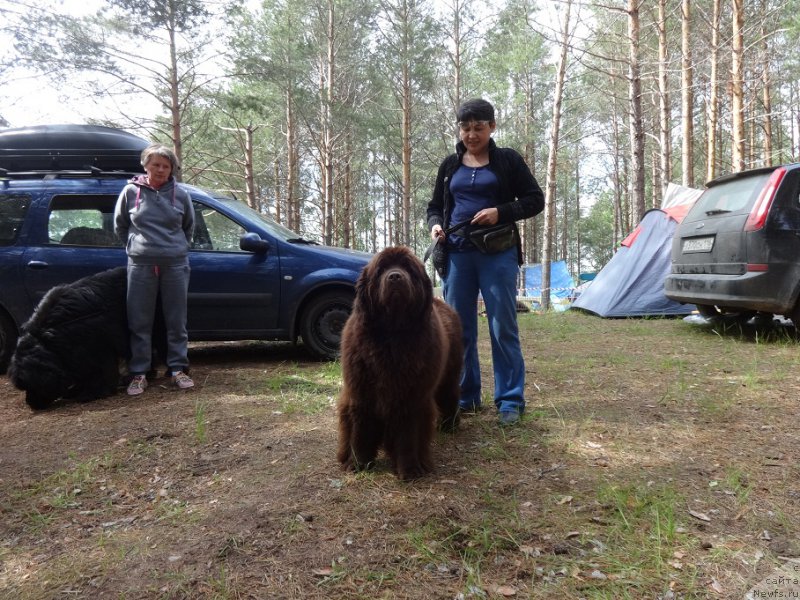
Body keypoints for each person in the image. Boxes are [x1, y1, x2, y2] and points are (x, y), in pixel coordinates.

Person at [427, 98, 544, 426]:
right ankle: (464, 396)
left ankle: (510, 399)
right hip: (458, 254)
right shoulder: (450, 165)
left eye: (479, 127)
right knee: (456, 330)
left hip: (498, 253)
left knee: (501, 326)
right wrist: (436, 224)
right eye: (466, 128)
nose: (471, 134)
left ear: (492, 127)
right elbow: (435, 205)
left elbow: (536, 199)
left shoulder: (507, 161)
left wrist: (500, 212)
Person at [114, 143, 195, 396]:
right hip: (141, 264)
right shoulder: (130, 191)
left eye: (166, 166)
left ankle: (178, 369)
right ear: (145, 165)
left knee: (176, 320)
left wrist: (176, 248)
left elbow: (189, 227)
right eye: (156, 164)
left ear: (172, 169)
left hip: (175, 264)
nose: (160, 170)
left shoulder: (181, 194)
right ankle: (139, 373)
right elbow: (120, 225)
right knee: (139, 320)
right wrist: (135, 247)